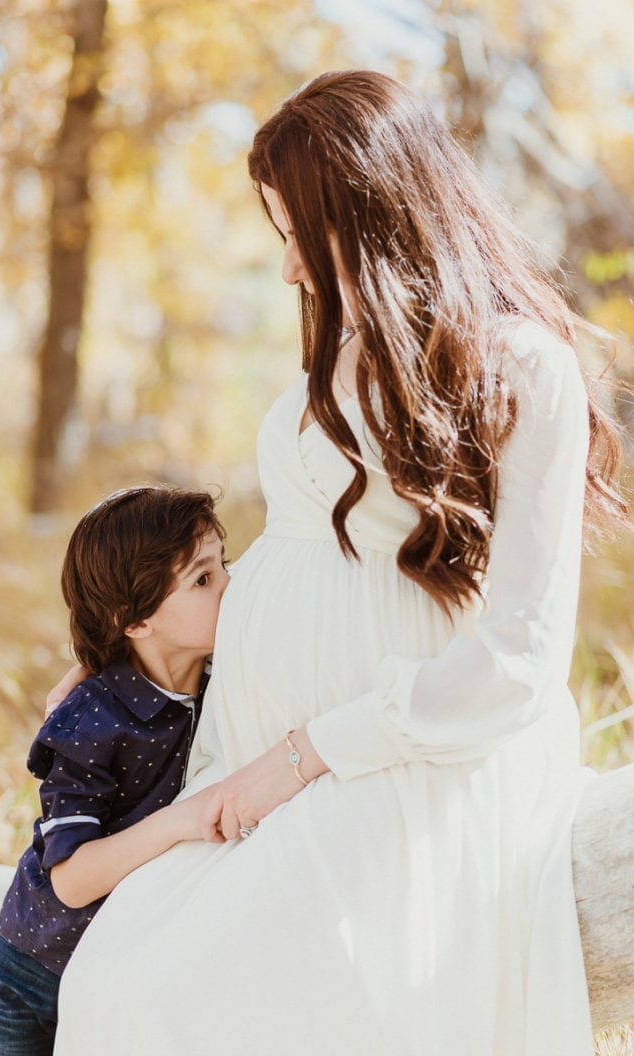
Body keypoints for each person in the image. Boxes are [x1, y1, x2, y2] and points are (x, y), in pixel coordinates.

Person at [53, 70, 625, 1056]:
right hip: (261, 770)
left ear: (373, 209)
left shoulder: (523, 368)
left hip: (406, 765)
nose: (286, 272)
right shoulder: (346, 354)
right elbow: (288, 574)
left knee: (173, 1003)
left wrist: (308, 752)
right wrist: (122, 666)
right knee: (112, 985)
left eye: (295, 234)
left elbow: (521, 656)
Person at [0, 485, 229, 1056]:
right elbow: (72, 878)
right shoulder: (93, 718)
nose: (231, 587)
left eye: (223, 564)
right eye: (203, 579)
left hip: (123, 970)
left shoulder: (223, 677)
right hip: (37, 972)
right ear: (135, 621)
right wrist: (183, 821)